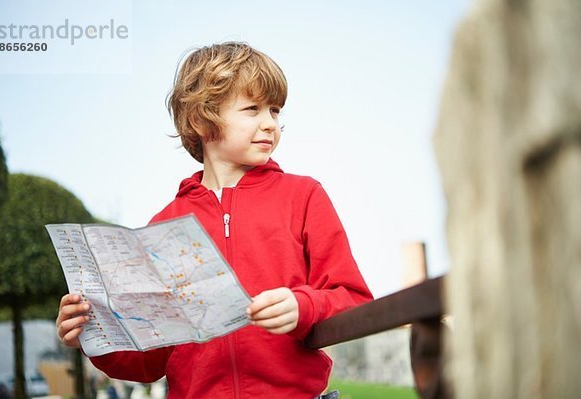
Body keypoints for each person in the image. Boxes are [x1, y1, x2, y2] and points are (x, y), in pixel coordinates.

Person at [56, 42, 372, 399]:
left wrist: (304, 306)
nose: (270, 123)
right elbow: (150, 361)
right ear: (200, 120)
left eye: (275, 110)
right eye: (252, 109)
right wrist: (91, 333)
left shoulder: (305, 195)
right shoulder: (163, 224)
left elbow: (354, 299)